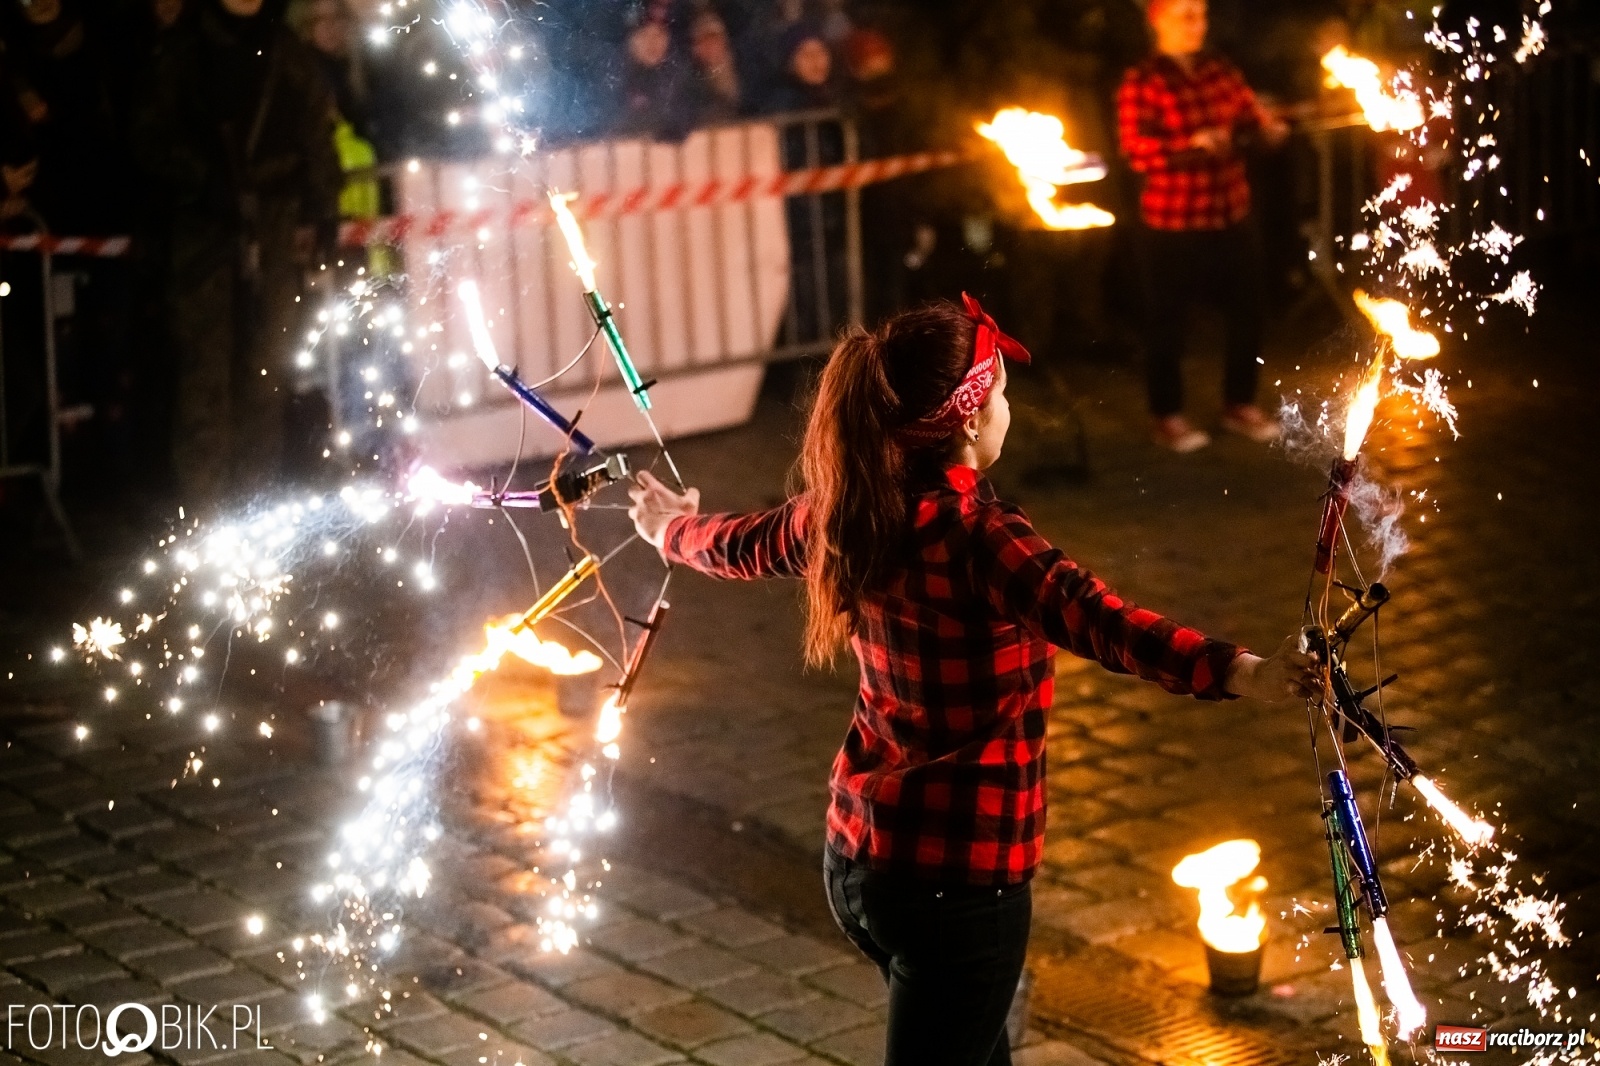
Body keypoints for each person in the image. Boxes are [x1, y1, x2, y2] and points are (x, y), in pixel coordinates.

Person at [627, 296, 1317, 1066]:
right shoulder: (982, 540)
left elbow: (737, 544)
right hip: (958, 888)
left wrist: (669, 532)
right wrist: (1246, 674)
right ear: (967, 420)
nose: (1007, 412)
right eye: (1002, 397)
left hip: (860, 866)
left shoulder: (846, 512)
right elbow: (1104, 622)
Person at [129, 0, 341, 506]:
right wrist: (203, 182)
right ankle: (206, 517)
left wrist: (323, 208)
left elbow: (317, 131)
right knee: (205, 382)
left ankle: (253, 512)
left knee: (265, 375)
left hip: (273, 223)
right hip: (205, 232)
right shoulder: (185, 51)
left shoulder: (287, 52)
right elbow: (149, 135)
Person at [1117, 0, 1288, 452]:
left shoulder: (1222, 72)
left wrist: (1269, 130)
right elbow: (1137, 151)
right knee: (1167, 323)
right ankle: (1168, 415)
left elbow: (1253, 120)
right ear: (1158, 21)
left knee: (1249, 313)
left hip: (1231, 211)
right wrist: (1189, 143)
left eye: (1201, 14)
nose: (1197, 25)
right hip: (1173, 222)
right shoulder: (1144, 81)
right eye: (1185, 15)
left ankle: (1239, 404)